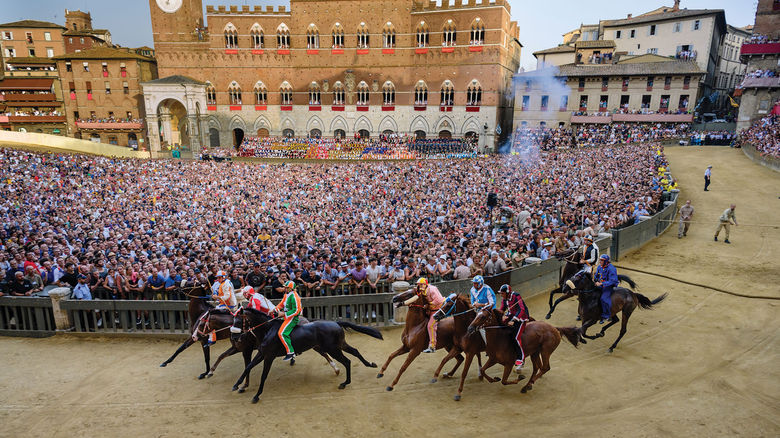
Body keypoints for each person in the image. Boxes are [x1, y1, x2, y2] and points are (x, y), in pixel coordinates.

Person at [498, 284, 530, 372]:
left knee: (516, 337)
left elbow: (522, 309)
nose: (501, 295)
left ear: (508, 293)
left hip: (521, 317)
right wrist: (501, 315)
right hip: (510, 316)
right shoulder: (504, 299)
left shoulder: (516, 296)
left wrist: (514, 320)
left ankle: (521, 359)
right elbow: (501, 309)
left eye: (502, 293)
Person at [273, 280, 302, 361]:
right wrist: (275, 309)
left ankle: (291, 352)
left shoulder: (295, 297)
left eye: (287, 288)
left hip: (293, 318)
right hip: (286, 316)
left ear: (291, 288)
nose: (285, 289)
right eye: (285, 287)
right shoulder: (286, 295)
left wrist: (284, 314)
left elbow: (297, 311)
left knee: (281, 333)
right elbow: (281, 304)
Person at [207, 270, 237, 345]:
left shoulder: (226, 284)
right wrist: (216, 296)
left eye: (220, 278)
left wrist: (217, 297)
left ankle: (213, 336)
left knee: (211, 315)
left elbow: (227, 296)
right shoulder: (222, 283)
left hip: (229, 305)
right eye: (217, 278)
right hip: (224, 304)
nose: (218, 279)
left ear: (224, 277)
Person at [417, 277, 445, 353]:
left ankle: (432, 346)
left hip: (438, 310)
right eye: (419, 285)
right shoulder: (421, 290)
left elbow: (438, 300)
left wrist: (428, 304)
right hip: (430, 310)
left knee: (431, 325)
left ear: (425, 284)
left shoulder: (432, 289)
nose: (420, 287)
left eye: (421, 285)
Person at [594, 254, 618, 323]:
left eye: (602, 260)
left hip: (608, 286)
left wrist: (601, 283)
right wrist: (594, 279)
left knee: (603, 299)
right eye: (600, 260)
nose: (600, 261)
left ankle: (607, 315)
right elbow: (596, 276)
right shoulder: (599, 267)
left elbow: (612, 280)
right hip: (599, 284)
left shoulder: (612, 269)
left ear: (606, 261)